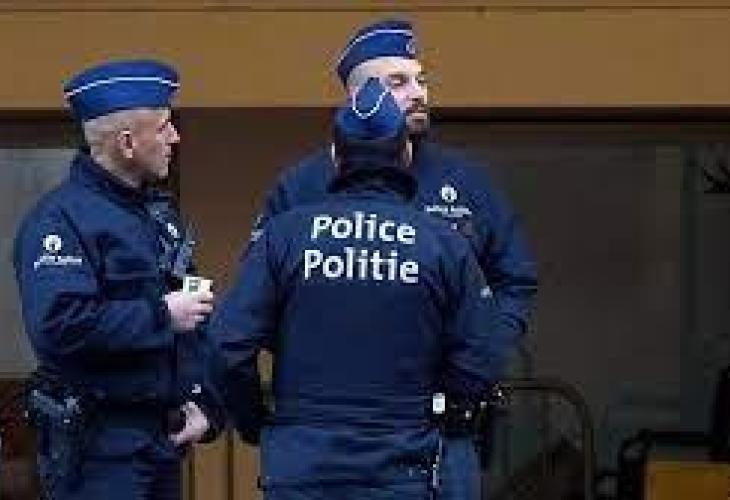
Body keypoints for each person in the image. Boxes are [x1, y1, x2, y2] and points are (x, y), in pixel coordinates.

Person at [248, 18, 538, 499]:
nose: (418, 93)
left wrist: (479, 354)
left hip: (445, 423)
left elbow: (515, 279)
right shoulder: (302, 187)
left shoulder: (466, 181)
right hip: (327, 426)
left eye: (421, 80)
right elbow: (259, 299)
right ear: (357, 97)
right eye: (399, 82)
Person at [13, 59, 223, 500]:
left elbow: (192, 321)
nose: (175, 137)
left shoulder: (158, 216)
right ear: (127, 142)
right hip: (99, 450)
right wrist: (161, 315)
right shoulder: (61, 220)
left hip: (161, 440)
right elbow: (60, 325)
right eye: (164, 127)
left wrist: (206, 401)